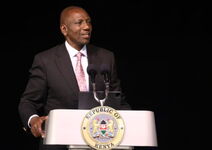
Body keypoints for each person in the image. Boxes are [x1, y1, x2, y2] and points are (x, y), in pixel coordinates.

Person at [18, 5, 131, 150]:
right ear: (64, 29)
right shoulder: (45, 60)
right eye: (79, 23)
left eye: (88, 22)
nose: (87, 27)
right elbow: (28, 101)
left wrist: (132, 123)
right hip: (60, 142)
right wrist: (33, 120)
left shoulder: (106, 57)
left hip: (100, 141)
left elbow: (118, 100)